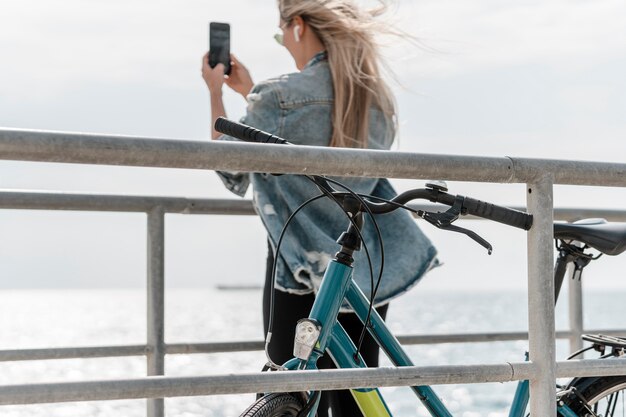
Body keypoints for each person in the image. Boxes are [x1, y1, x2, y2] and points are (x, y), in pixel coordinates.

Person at [202, 1, 438, 415]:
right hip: (364, 269)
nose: (285, 44)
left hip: (297, 270)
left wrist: (217, 93)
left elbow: (231, 169)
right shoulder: (376, 100)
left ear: (297, 27)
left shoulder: (277, 97)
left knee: (284, 393)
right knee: (355, 398)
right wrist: (251, 92)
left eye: (281, 34)